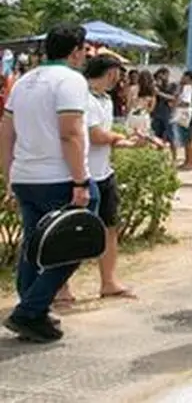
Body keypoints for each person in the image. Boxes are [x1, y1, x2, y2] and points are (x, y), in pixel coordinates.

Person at [1, 24, 95, 344]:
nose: (86, 55)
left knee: (34, 245)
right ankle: (29, 311)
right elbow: (70, 133)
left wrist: (9, 177)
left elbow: (6, 133)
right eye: (84, 49)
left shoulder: (25, 81)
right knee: (74, 244)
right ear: (74, 51)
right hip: (59, 177)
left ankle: (33, 312)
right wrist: (80, 181)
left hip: (26, 176)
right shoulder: (71, 81)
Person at [57, 54, 140, 306]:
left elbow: (104, 135)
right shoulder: (84, 97)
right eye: (117, 73)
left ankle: (109, 281)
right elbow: (94, 135)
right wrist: (117, 138)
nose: (119, 80)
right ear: (109, 72)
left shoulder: (106, 100)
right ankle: (61, 286)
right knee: (71, 232)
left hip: (104, 172)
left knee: (109, 228)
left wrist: (123, 141)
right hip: (83, 174)